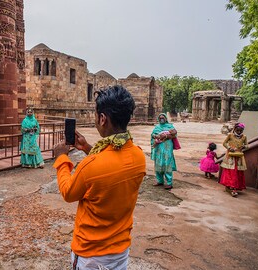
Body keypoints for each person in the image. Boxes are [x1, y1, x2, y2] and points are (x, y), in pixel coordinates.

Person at [52, 85, 146, 270]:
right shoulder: (138, 156)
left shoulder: (90, 166)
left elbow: (68, 193)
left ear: (103, 119)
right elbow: (111, 165)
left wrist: (61, 159)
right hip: (120, 250)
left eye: (96, 116)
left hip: (91, 253)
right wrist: (87, 147)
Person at [219, 123, 248, 197]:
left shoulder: (244, 137)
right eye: (237, 130)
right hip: (230, 157)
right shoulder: (230, 135)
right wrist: (229, 148)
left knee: (237, 172)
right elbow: (224, 143)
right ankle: (231, 187)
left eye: (240, 131)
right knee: (230, 172)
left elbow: (247, 146)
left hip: (239, 157)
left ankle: (235, 187)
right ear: (234, 129)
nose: (239, 132)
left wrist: (244, 146)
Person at [151, 113, 177, 190]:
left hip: (167, 148)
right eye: (160, 118)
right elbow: (152, 135)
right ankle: (160, 181)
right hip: (158, 148)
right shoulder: (157, 127)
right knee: (158, 163)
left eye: (163, 118)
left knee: (167, 163)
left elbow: (174, 135)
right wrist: (156, 136)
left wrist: (165, 136)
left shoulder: (170, 126)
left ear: (166, 118)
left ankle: (169, 183)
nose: (161, 119)